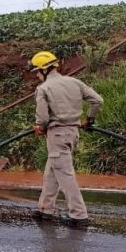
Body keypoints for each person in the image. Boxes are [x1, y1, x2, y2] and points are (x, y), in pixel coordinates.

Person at [29, 51, 103, 228]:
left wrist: (40, 127)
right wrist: (89, 119)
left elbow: (43, 118)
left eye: (37, 72)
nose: (37, 76)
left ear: (44, 70)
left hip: (57, 135)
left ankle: (78, 215)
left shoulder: (43, 89)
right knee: (53, 170)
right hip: (73, 133)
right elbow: (97, 101)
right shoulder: (74, 82)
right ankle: (45, 209)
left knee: (65, 174)